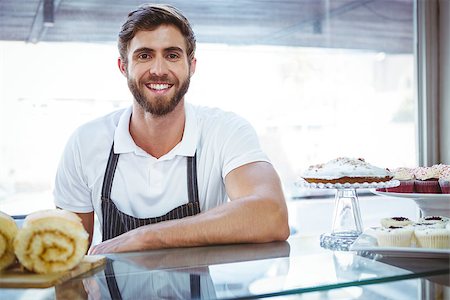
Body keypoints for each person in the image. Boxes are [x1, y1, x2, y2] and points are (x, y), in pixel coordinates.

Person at [53, 3, 289, 254]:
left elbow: (271, 214)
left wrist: (146, 238)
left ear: (192, 66)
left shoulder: (226, 131)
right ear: (124, 67)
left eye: (172, 55)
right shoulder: (85, 142)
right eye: (144, 55)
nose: (158, 70)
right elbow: (66, 258)